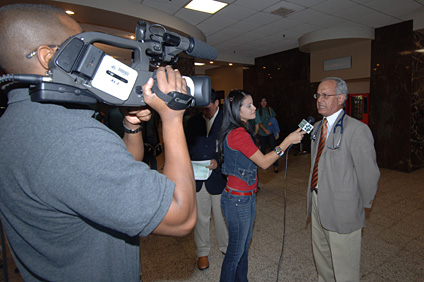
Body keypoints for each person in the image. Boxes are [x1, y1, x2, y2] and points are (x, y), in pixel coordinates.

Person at [0, 4, 196, 281]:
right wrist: (173, 119)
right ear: (50, 57)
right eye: (83, 46)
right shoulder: (71, 136)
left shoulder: (14, 124)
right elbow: (181, 215)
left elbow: (113, 173)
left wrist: (131, 126)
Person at [217, 90, 305, 282]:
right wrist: (287, 141)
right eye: (248, 105)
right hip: (238, 200)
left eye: (253, 104)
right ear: (236, 111)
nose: (254, 107)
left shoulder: (241, 130)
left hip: (245, 196)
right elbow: (264, 162)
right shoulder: (238, 134)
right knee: (235, 252)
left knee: (243, 247)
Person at [307, 77, 380, 282]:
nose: (319, 100)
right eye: (318, 95)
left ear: (340, 98)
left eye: (325, 95)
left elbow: (369, 174)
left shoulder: (357, 130)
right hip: (317, 200)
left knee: (344, 263)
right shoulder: (316, 129)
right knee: (322, 256)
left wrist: (358, 206)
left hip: (343, 208)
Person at [186, 90, 228, 270]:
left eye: (208, 108)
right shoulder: (193, 122)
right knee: (201, 217)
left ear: (217, 102)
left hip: (219, 177)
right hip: (197, 177)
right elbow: (186, 147)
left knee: (221, 217)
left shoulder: (227, 122)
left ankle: (226, 248)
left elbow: (232, 149)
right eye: (201, 108)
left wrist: (218, 162)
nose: (205, 111)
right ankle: (202, 252)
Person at [255, 96, 280, 173]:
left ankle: (275, 165)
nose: (263, 103)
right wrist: (265, 130)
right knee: (263, 149)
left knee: (274, 148)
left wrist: (271, 122)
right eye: (262, 101)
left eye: (265, 101)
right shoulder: (258, 111)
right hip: (262, 133)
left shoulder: (270, 109)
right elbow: (259, 123)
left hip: (271, 132)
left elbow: (274, 118)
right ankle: (263, 164)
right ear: (260, 102)